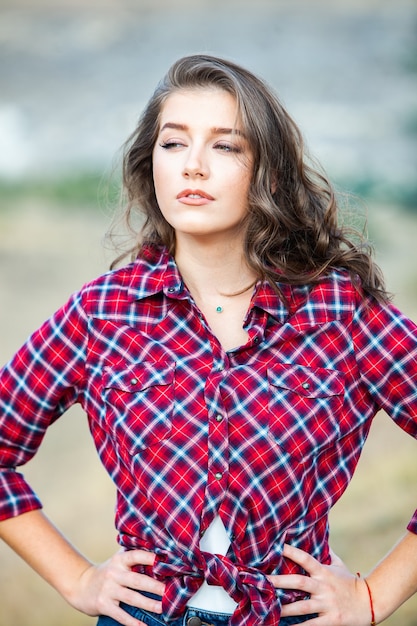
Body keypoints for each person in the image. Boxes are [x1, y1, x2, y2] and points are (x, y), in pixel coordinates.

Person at [0, 54, 416, 626]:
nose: (193, 166)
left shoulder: (340, 313)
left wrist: (373, 598)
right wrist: (77, 580)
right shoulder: (103, 312)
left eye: (225, 146)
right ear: (152, 165)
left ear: (266, 169)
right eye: (173, 144)